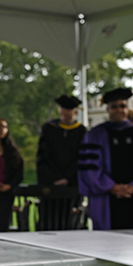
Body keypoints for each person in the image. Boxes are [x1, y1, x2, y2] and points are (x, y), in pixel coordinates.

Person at [77, 88, 133, 230]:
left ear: (128, 108)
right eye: (114, 106)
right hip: (106, 199)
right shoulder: (95, 135)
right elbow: (90, 168)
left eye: (123, 106)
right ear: (108, 109)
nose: (119, 109)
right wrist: (111, 187)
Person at [36, 95, 87, 230]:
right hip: (51, 185)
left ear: (75, 112)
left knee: (71, 222)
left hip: (72, 186)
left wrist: (68, 178)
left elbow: (82, 159)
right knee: (48, 221)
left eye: (69, 110)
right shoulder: (48, 129)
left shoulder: (82, 131)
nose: (65, 113)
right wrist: (55, 178)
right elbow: (42, 157)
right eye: (63, 110)